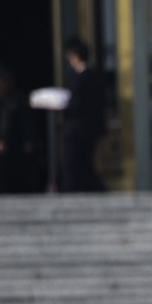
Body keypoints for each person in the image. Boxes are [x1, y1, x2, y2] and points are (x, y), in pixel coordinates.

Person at [61, 37, 105, 193]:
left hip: (77, 130)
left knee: (74, 164)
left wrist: (63, 107)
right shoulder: (97, 76)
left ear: (75, 56)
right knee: (86, 164)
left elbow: (76, 105)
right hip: (92, 129)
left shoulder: (79, 79)